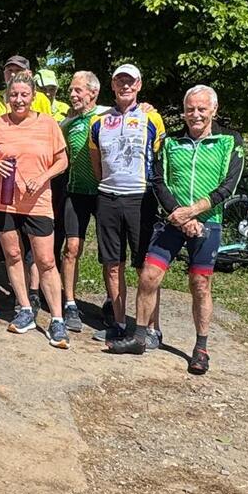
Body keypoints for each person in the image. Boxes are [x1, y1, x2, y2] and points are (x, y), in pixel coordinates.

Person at [111, 85, 244, 375]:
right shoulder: (170, 142)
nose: (195, 115)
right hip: (173, 220)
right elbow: (157, 180)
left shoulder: (229, 140)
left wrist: (194, 211)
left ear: (213, 110)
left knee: (200, 285)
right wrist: (179, 215)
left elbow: (229, 185)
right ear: (183, 111)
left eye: (201, 109)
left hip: (207, 221)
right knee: (148, 275)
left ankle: (201, 347)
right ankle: (140, 337)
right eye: (190, 109)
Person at [0, 72, 69, 344]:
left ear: (33, 97)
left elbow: (62, 161)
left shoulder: (49, 125)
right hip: (3, 201)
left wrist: (42, 177)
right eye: (13, 95)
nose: (18, 100)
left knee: (46, 260)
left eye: (24, 95)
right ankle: (25, 309)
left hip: (38, 202)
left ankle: (57, 319)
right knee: (13, 255)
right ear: (6, 98)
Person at [89, 63, 166, 343]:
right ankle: (120, 323)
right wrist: (107, 184)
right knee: (112, 264)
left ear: (139, 85)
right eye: (120, 81)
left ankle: (152, 328)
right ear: (112, 85)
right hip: (108, 197)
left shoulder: (152, 119)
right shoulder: (98, 121)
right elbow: (96, 161)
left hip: (141, 199)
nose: (125, 86)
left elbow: (159, 159)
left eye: (130, 81)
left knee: (146, 267)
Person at [58, 71, 104, 333]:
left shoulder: (108, 116)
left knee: (110, 253)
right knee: (72, 247)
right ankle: (70, 302)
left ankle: (111, 302)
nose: (73, 95)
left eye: (78, 90)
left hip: (104, 193)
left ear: (93, 93)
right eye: (71, 91)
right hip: (75, 192)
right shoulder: (67, 124)